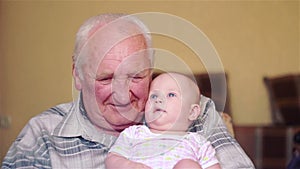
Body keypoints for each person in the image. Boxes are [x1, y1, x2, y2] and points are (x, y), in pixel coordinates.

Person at [2, 13, 255, 168]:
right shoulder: (43, 134)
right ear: (77, 75)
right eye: (106, 78)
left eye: (136, 76)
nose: (123, 96)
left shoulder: (195, 112)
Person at [105, 72, 221, 169]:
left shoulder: (198, 141)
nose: (159, 100)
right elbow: (112, 158)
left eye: (171, 95)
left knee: (188, 166)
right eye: (154, 96)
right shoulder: (134, 133)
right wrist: (130, 166)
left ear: (192, 112)